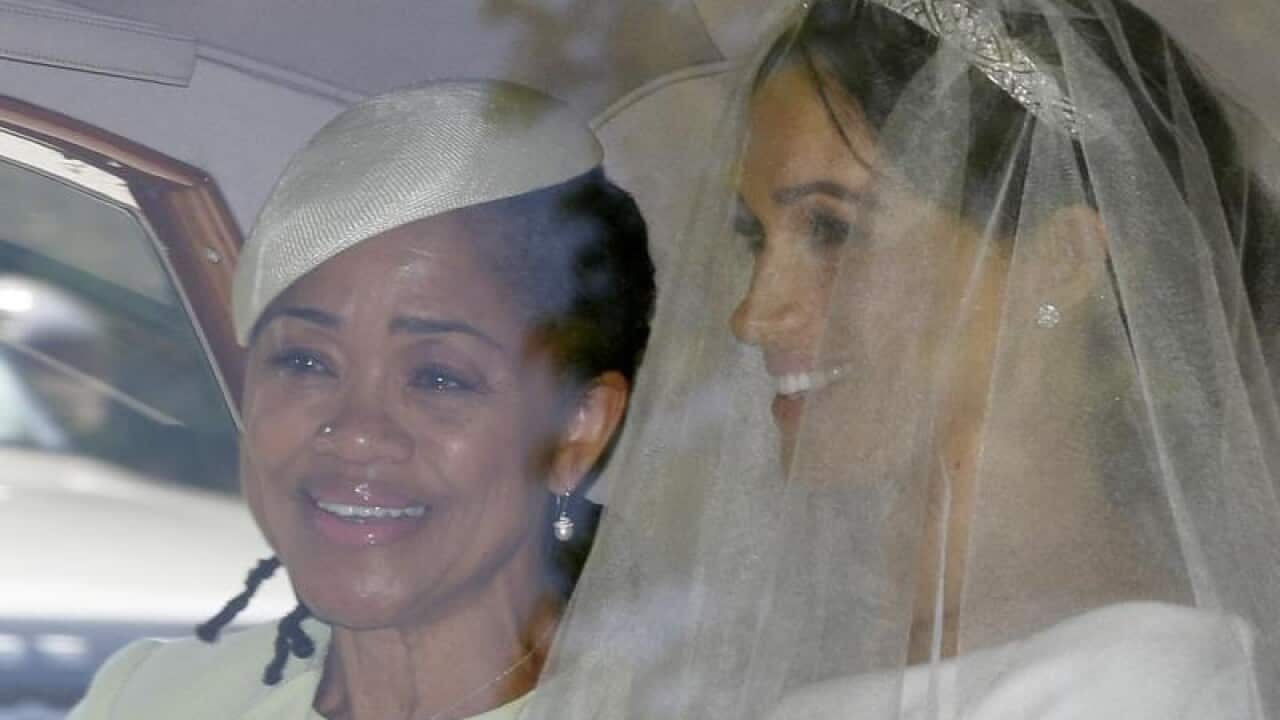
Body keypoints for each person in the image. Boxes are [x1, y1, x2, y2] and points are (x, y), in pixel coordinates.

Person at [523, 0, 1280, 718]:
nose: (752, 316)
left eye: (832, 231)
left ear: (1062, 262)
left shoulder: (1136, 684)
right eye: (758, 237)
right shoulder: (785, 627)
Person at [67, 79, 655, 720]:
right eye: (305, 361)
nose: (354, 434)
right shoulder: (154, 697)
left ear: (580, 427)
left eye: (437, 378)